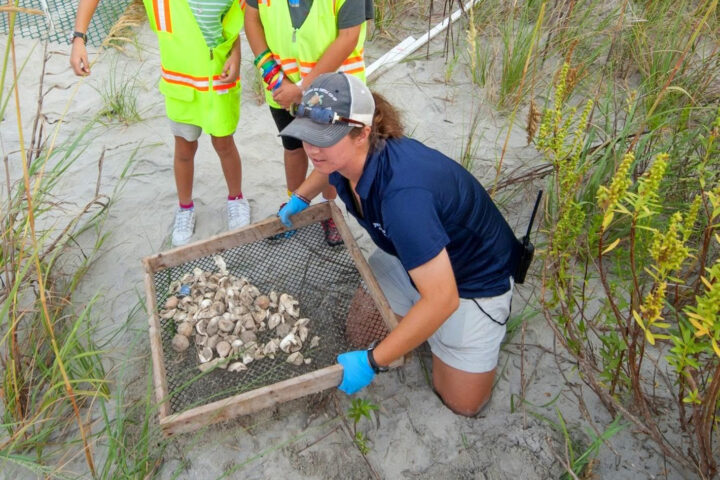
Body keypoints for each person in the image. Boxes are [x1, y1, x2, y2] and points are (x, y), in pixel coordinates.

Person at [277, 73, 522, 416]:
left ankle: (452, 332)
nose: (313, 148)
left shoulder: (403, 198)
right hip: (410, 256)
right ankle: (419, 327)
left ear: (363, 132)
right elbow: (325, 165)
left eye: (325, 137)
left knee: (462, 403)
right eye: (306, 136)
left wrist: (373, 362)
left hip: (473, 282)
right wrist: (300, 197)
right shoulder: (346, 157)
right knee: (359, 331)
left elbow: (444, 298)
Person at [70, 0, 251, 247]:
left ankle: (236, 199)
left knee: (224, 144)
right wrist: (79, 38)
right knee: (185, 149)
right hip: (180, 86)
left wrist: (237, 54)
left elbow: (230, 23)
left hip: (218, 82)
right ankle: (185, 208)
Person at [243, 0, 372, 246]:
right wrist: (272, 74)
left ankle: (327, 208)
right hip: (281, 89)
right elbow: (251, 19)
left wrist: (303, 88)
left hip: (333, 92)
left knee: (329, 152)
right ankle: (295, 205)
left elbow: (348, 36)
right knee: (293, 147)